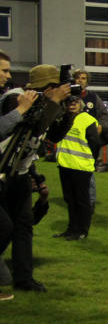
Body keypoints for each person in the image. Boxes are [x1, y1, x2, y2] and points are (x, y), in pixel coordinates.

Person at [0, 64, 71, 292]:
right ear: (47, 87)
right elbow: (35, 126)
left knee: (23, 227)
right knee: (5, 227)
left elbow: (52, 135)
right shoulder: (16, 100)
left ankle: (24, 278)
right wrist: (54, 102)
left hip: (19, 173)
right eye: (55, 88)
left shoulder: (42, 103)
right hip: (3, 172)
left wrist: (68, 112)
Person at [49, 95, 100, 240]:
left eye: (75, 102)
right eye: (69, 102)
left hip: (81, 166)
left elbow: (95, 144)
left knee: (82, 201)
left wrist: (90, 162)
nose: (71, 105)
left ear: (81, 104)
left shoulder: (87, 120)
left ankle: (82, 231)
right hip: (65, 164)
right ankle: (72, 229)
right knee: (70, 200)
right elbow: (54, 136)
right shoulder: (63, 118)